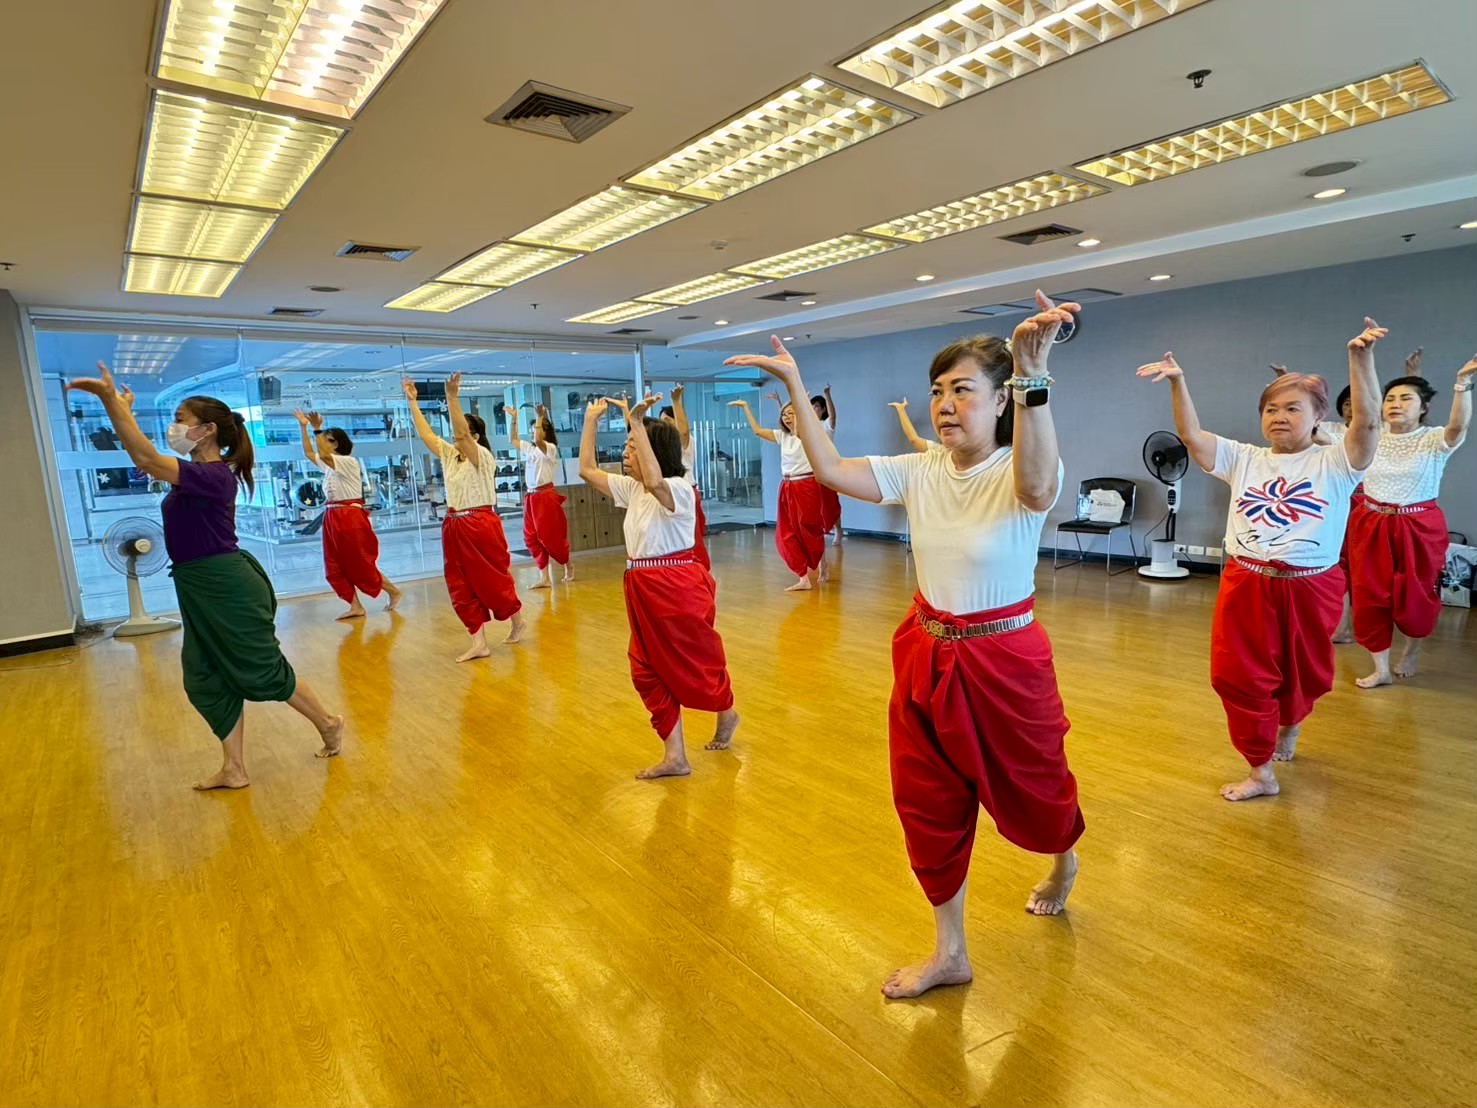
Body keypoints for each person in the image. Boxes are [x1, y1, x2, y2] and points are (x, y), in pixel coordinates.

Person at [725, 291, 1085, 999]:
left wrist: (1033, 377)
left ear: (1001, 400)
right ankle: (950, 951)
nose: (944, 405)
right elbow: (831, 471)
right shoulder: (918, 470)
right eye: (937, 391)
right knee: (926, 800)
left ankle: (1062, 859)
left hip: (1005, 657)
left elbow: (1040, 485)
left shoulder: (1019, 466)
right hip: (925, 650)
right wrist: (794, 382)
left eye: (962, 390)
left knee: (1037, 789)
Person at [66, 362, 344, 789]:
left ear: (208, 430)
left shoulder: (214, 476)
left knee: (261, 669)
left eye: (181, 420)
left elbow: (145, 458)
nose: (174, 428)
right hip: (196, 585)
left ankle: (328, 723)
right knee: (206, 673)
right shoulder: (192, 475)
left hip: (227, 585)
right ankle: (234, 768)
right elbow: (144, 458)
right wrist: (123, 413)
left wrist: (110, 403)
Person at [1137, 319, 1383, 800]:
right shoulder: (1244, 457)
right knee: (1238, 675)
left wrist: (1360, 359)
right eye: (1271, 409)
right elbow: (1190, 434)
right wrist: (1178, 382)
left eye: (1293, 408)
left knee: (1303, 674)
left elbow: (1368, 423)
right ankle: (1260, 770)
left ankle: (1289, 726)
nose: (1279, 417)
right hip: (1246, 581)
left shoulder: (1337, 460)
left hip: (1311, 586)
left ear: (1318, 416)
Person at [578, 392, 739, 780]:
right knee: (645, 669)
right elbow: (586, 470)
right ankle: (675, 757)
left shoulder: (679, 487)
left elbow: (654, 479)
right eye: (627, 446)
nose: (625, 453)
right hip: (640, 585)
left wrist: (637, 423)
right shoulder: (632, 489)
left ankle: (726, 711)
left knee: (697, 663)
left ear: (654, 450)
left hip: (677, 586)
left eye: (633, 447)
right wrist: (590, 421)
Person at [1348, 352, 1474, 687]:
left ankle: (1412, 650)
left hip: (1418, 526)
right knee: (1369, 594)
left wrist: (1462, 384)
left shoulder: (1433, 439)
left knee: (1416, 595)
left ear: (1423, 408)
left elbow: (1458, 426)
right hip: (1371, 522)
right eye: (1390, 398)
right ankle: (1381, 668)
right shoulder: (1371, 435)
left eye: (1406, 399)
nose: (1395, 404)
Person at [402, 373, 526, 661]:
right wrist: (412, 403)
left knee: (492, 581)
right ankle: (479, 642)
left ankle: (517, 620)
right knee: (459, 585)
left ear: (476, 437)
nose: (455, 435)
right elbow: (426, 435)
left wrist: (452, 397)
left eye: (462, 431)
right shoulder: (450, 455)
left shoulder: (481, 456)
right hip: (455, 524)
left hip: (480, 524)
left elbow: (461, 435)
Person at [293, 409, 402, 620]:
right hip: (333, 516)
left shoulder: (347, 461)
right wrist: (303, 427)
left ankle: (393, 591)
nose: (320, 443)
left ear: (336, 444)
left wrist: (316, 429)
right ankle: (355, 606)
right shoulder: (328, 466)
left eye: (326, 440)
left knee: (359, 563)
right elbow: (308, 453)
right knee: (334, 564)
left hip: (349, 516)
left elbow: (323, 454)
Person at [729, 394, 829, 591]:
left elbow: (801, 432)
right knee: (786, 533)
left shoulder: (809, 433)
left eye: (791, 413)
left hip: (807, 485)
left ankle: (822, 563)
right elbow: (757, 431)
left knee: (810, 530)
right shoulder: (782, 436)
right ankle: (803, 577)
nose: (787, 417)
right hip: (787, 486)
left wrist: (800, 405)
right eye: (784, 414)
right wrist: (746, 406)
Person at [509, 402, 574, 588]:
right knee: (531, 537)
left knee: (550, 537)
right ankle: (544, 577)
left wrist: (539, 416)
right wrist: (514, 419)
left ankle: (568, 563)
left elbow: (538, 440)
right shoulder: (530, 449)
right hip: (531, 497)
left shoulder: (550, 448)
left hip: (545, 495)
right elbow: (513, 440)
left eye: (536, 430)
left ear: (546, 432)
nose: (533, 434)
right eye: (531, 431)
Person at [660, 384, 710, 568]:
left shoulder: (684, 441)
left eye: (668, 420)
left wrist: (676, 401)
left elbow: (683, 431)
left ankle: (699, 571)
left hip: (686, 492)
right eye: (662, 421)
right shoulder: (663, 445)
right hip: (670, 494)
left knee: (691, 538)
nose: (665, 425)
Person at [811, 386, 844, 545]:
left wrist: (827, 395)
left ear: (823, 409)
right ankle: (820, 529)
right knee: (815, 502)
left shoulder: (826, 425)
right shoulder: (807, 426)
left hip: (828, 468)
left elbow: (833, 416)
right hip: (812, 468)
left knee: (830, 501)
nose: (813, 410)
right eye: (811, 407)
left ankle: (838, 529)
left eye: (816, 407)